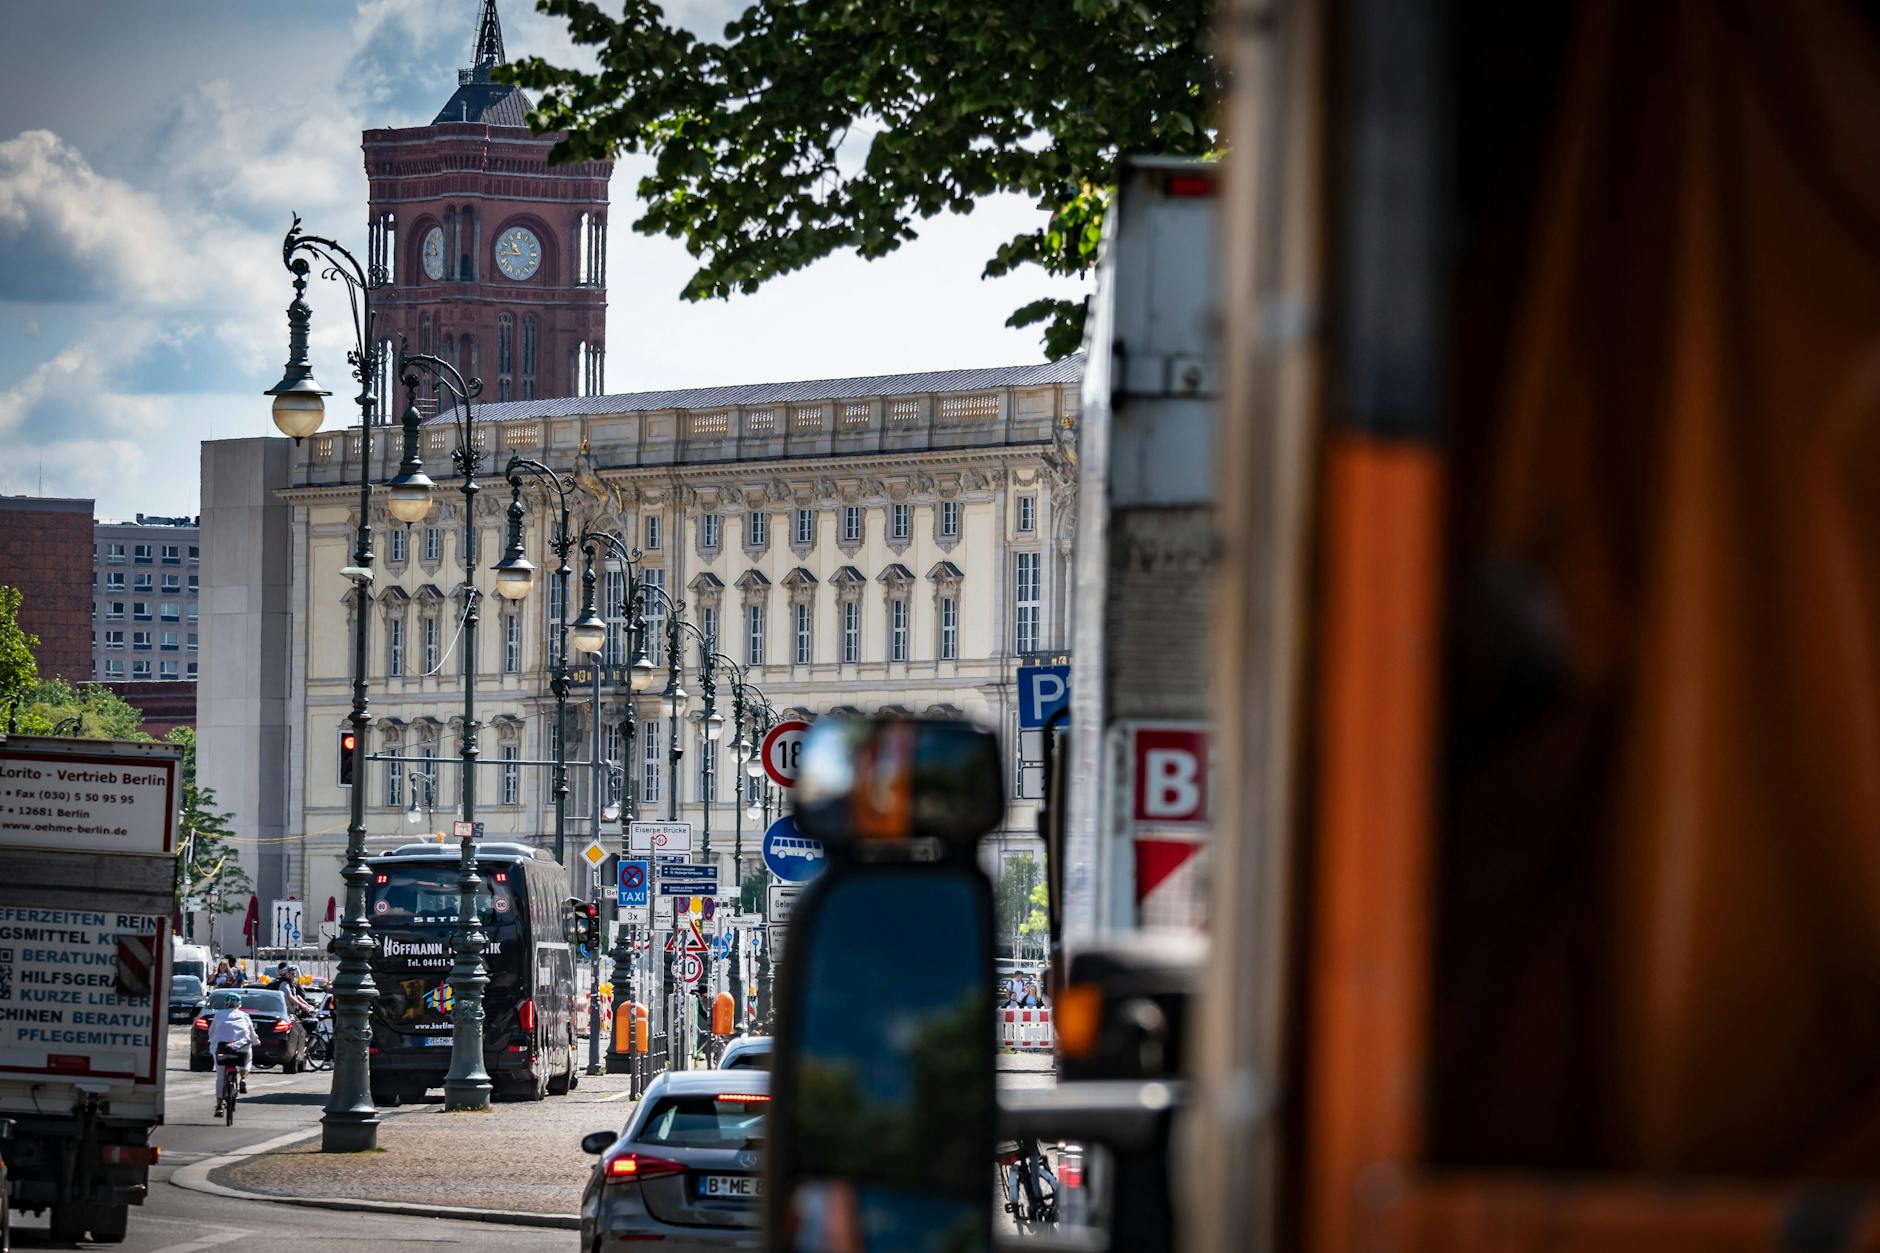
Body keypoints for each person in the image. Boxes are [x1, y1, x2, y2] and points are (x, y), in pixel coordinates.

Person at [206, 993, 259, 1115]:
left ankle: (219, 1106)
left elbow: (211, 1032)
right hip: (240, 1049)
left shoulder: (218, 1015)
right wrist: (256, 1041)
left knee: (220, 1076)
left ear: (225, 1004)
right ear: (239, 1005)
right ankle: (243, 1078)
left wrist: (211, 1039)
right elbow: (251, 1034)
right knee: (247, 1054)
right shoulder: (245, 1016)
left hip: (221, 1049)